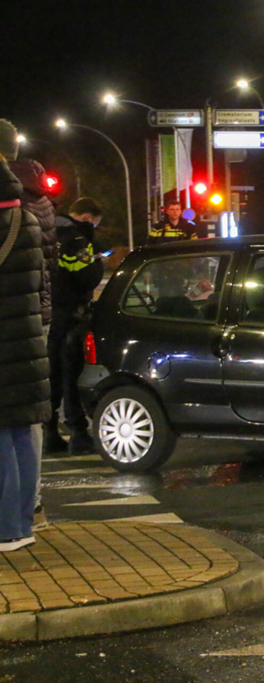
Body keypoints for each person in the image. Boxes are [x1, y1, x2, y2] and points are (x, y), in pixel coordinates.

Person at [0, 151, 49, 552]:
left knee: (3, 432)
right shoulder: (27, 219)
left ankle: (5, 529)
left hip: (4, 342)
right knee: (20, 429)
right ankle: (21, 523)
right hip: (27, 337)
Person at [8, 146, 58, 531]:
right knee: (29, 417)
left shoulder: (11, 202)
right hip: (34, 313)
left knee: (9, 422)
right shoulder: (39, 201)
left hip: (10, 318)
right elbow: (49, 262)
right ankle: (31, 510)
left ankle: (12, 520)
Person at [46, 197, 104, 455]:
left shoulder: (47, 233)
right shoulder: (78, 239)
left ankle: (49, 434)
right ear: (88, 217)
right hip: (72, 315)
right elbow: (86, 276)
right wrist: (96, 255)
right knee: (72, 375)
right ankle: (78, 433)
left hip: (49, 314)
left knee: (52, 376)